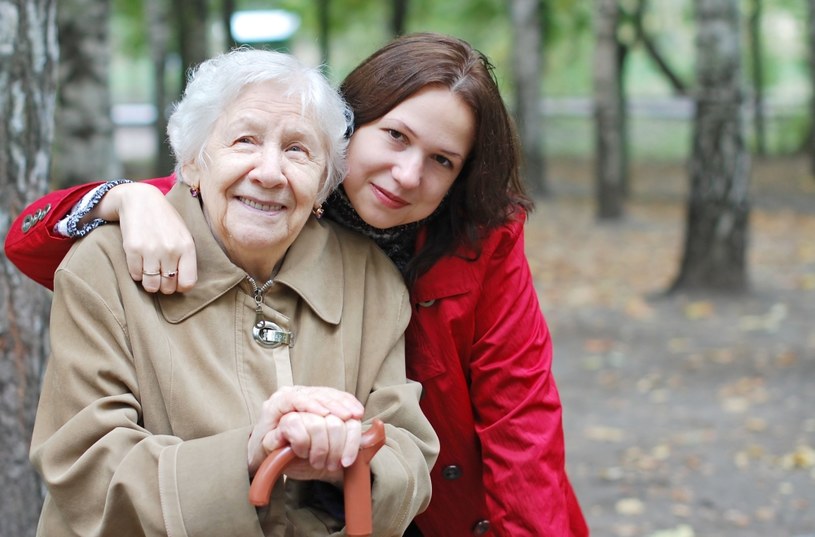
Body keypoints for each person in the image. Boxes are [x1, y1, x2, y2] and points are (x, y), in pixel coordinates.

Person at [6, 33, 588, 536]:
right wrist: (121, 196)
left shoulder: (452, 252)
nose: (409, 174)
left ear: (322, 172)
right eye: (396, 137)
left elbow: (521, 418)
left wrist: (348, 459)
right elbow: (29, 243)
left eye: (443, 160)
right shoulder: (170, 220)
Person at [24, 48, 438, 537]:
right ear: (194, 164)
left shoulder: (370, 278)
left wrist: (348, 458)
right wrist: (248, 453)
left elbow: (407, 450)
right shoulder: (106, 265)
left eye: (298, 150)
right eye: (244, 140)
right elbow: (84, 465)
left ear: (325, 186)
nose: (269, 172)